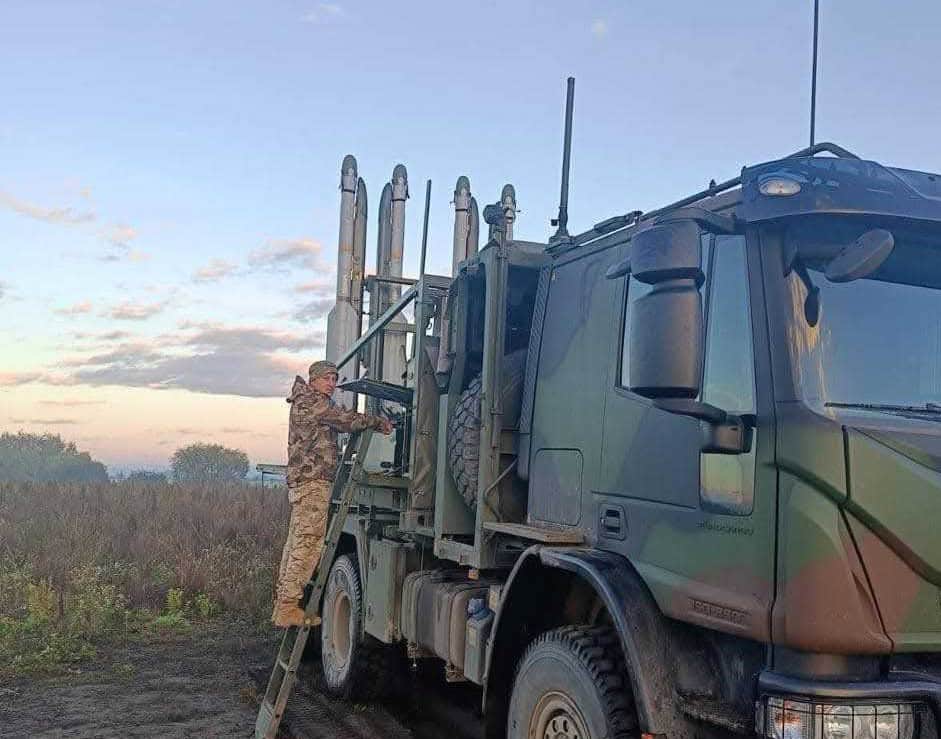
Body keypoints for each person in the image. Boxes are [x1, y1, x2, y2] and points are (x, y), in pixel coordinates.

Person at [272, 360, 393, 628]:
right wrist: (376, 422)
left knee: (295, 544)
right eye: (327, 378)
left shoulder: (306, 401)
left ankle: (283, 603)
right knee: (308, 544)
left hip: (306, 483)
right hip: (313, 483)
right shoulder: (313, 403)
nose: (332, 383)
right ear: (313, 379)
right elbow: (346, 420)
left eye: (335, 379)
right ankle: (288, 606)